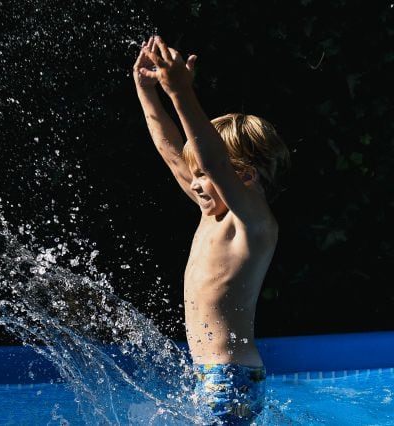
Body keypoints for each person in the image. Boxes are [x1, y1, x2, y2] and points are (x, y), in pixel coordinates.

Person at [133, 36, 290, 424]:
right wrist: (147, 91)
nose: (195, 182)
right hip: (210, 376)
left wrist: (180, 91)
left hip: (229, 379)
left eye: (204, 174)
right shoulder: (214, 212)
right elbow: (174, 154)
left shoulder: (252, 222)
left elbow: (213, 161)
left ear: (245, 176)